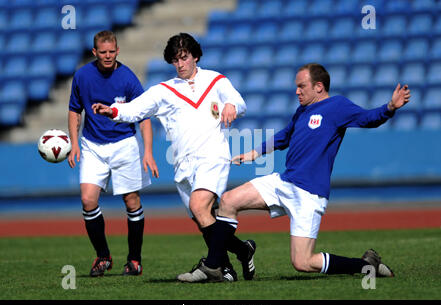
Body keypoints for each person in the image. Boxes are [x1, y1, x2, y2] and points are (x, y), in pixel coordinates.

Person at [180, 63, 411, 282]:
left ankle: (366, 266)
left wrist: (390, 108)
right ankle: (214, 266)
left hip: (308, 194)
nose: (297, 91)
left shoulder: (337, 106)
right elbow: (285, 136)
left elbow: (368, 119)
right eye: (296, 86)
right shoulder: (302, 111)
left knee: (303, 262)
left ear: (319, 87)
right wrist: (255, 152)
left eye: (302, 86)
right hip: (284, 182)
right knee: (229, 201)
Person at [91, 33, 256, 282]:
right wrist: (112, 110)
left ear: (195, 56)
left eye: (184, 57)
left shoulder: (215, 80)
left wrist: (232, 105)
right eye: (175, 60)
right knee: (204, 220)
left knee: (199, 206)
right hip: (183, 164)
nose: (180, 64)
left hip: (213, 156)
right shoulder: (165, 90)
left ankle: (213, 267)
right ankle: (237, 256)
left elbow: (238, 101)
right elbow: (136, 108)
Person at [68, 30, 159, 277]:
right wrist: (74, 143)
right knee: (88, 200)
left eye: (112, 52)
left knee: (131, 201)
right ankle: (103, 256)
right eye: (103, 52)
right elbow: (75, 110)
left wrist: (148, 152)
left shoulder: (128, 78)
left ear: (117, 51)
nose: (107, 56)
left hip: (124, 143)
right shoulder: (82, 75)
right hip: (92, 145)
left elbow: (144, 117)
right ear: (94, 52)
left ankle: (135, 260)